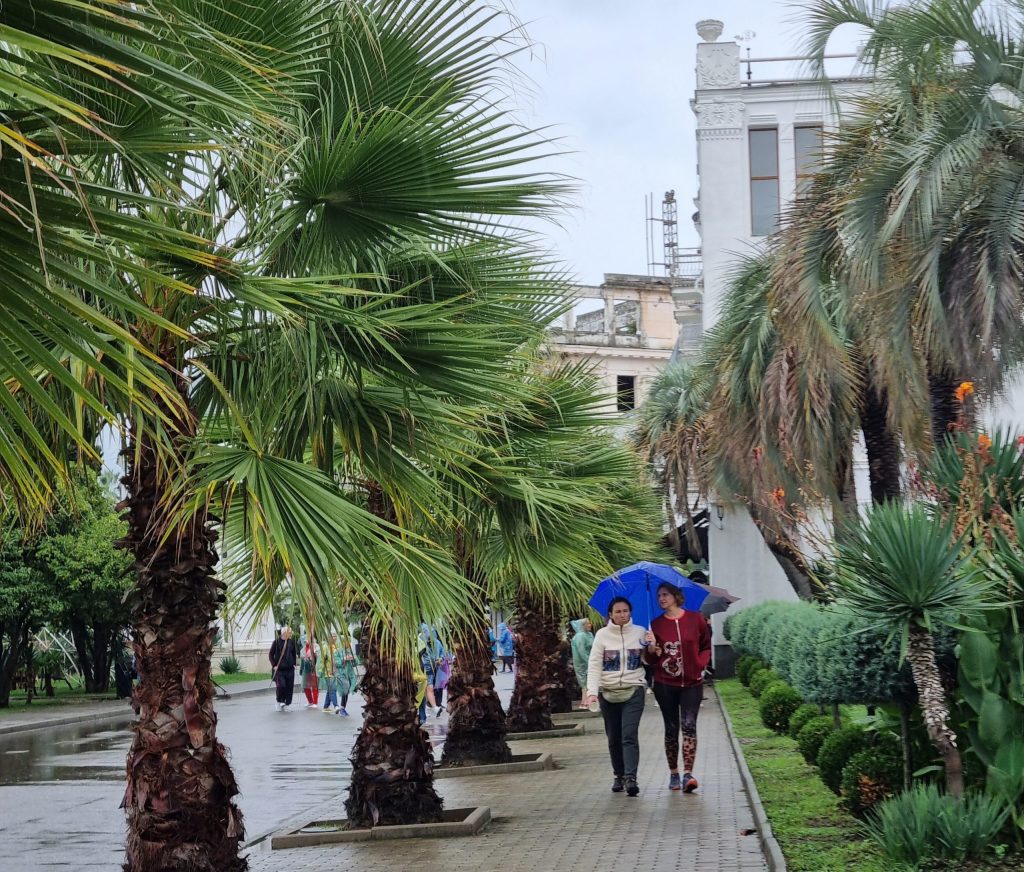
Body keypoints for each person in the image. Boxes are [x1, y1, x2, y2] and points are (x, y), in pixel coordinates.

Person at [644, 582, 712, 793]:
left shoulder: (695, 619)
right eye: (659, 596)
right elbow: (649, 660)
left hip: (692, 683)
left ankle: (688, 774)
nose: (661, 599)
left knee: (689, 725)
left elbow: (705, 646)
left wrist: (700, 665)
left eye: (665, 595)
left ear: (676, 596)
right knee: (671, 728)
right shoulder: (654, 625)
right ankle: (674, 773)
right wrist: (651, 649)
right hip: (665, 684)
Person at [585, 597, 649, 797]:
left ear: (630, 612)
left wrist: (651, 646)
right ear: (610, 614)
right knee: (614, 737)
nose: (622, 615)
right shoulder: (602, 635)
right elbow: (594, 665)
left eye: (625, 611)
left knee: (629, 735)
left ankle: (631, 778)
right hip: (608, 691)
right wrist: (592, 692)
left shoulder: (640, 632)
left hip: (634, 689)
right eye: (618, 611)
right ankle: (618, 775)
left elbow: (649, 661)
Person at [269, 625, 298, 711]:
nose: (290, 634)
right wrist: (274, 665)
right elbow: (270, 654)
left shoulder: (291, 642)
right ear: (284, 633)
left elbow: (294, 653)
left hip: (290, 669)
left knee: (289, 687)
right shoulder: (276, 642)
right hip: (279, 669)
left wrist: (294, 663)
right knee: (281, 686)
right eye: (289, 633)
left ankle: (286, 703)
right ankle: (279, 701)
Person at [570, 618, 594, 709]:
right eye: (587, 624)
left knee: (589, 683)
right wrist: (589, 661)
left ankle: (588, 702)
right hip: (583, 663)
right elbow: (581, 651)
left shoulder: (589, 635)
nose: (590, 625)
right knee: (585, 683)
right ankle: (586, 702)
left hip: (590, 661)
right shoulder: (580, 636)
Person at [319, 632, 342, 713]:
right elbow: (322, 660)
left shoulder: (336, 647)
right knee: (333, 689)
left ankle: (325, 707)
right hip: (328, 672)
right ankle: (336, 706)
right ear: (329, 638)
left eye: (336, 636)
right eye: (333, 636)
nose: (335, 638)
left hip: (335, 672)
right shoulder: (325, 647)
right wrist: (320, 671)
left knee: (330, 689)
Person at [336, 642, 358, 716]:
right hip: (341, 675)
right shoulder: (338, 651)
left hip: (349, 675)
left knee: (346, 692)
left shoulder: (350, 651)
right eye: (345, 641)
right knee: (344, 691)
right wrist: (344, 659)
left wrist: (353, 659)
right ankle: (340, 708)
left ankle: (341, 708)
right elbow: (336, 663)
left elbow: (356, 663)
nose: (347, 643)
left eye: (348, 641)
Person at [299, 635, 319, 708]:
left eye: (307, 639)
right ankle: (310, 701)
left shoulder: (316, 646)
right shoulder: (302, 649)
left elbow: (318, 656)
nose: (306, 641)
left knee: (314, 686)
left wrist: (314, 653)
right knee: (305, 686)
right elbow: (302, 661)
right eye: (304, 640)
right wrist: (301, 670)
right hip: (305, 669)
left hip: (314, 669)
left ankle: (315, 702)